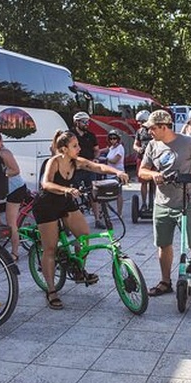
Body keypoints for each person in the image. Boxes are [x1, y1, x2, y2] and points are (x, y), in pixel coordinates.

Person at [33, 130, 129, 310]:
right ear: (63, 149)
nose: (79, 148)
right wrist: (66, 190)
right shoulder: (54, 161)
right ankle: (51, 290)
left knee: (84, 236)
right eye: (75, 146)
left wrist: (117, 172)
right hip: (46, 205)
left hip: (65, 202)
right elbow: (45, 184)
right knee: (50, 248)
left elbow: (97, 167)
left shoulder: (75, 162)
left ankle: (77, 270)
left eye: (78, 145)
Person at [139, 110, 191, 302]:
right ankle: (165, 282)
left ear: (164, 127)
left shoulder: (186, 142)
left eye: (152, 128)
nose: (149, 131)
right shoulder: (152, 145)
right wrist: (153, 175)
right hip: (162, 203)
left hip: (185, 201)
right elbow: (142, 171)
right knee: (163, 244)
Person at [0, 130, 27, 260]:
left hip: (16, 189)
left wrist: (1, 175)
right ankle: (0, 228)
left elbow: (16, 170)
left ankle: (15, 253)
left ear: (1, 141)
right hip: (5, 188)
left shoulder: (4, 153)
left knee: (11, 223)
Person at [69, 111, 102, 227]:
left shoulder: (91, 135)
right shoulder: (70, 135)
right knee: (72, 193)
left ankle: (97, 219)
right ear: (76, 122)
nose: (86, 124)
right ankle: (72, 221)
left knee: (94, 193)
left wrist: (96, 159)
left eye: (87, 121)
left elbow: (96, 150)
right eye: (84, 121)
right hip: (75, 168)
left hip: (89, 168)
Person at [98, 129, 126, 215]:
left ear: (118, 139)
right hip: (109, 174)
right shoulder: (111, 148)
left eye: (114, 138)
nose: (112, 140)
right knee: (106, 194)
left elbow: (115, 161)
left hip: (117, 174)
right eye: (111, 138)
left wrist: (105, 159)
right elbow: (104, 150)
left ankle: (119, 213)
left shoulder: (120, 148)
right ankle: (104, 212)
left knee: (118, 194)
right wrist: (97, 152)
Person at [133, 110, 155, 210]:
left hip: (154, 159)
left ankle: (154, 202)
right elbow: (135, 144)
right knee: (143, 182)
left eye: (141, 122)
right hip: (142, 158)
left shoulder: (154, 130)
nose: (140, 124)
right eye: (139, 122)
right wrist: (138, 148)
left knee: (154, 181)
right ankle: (144, 203)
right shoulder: (139, 131)